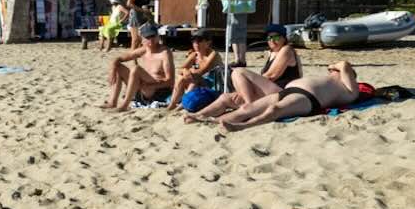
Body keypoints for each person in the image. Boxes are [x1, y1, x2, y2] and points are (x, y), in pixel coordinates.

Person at [211, 58, 363, 131]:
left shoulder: (348, 89)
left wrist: (333, 66)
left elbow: (344, 64)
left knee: (275, 110)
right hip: (288, 90)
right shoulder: (331, 79)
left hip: (308, 98)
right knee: (247, 108)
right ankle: (215, 121)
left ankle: (243, 126)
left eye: (335, 71)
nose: (331, 72)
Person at [100, 24, 174, 110]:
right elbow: (118, 58)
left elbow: (170, 81)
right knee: (118, 67)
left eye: (153, 36)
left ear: (158, 36)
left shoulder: (165, 53)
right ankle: (112, 102)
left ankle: (124, 105)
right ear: (142, 39)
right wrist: (112, 69)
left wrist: (153, 86)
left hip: (157, 90)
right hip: (142, 88)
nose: (151, 40)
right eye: (147, 37)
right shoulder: (144, 50)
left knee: (136, 69)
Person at [167, 32, 224, 114]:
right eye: (194, 41)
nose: (196, 44)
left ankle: (182, 104)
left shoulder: (213, 54)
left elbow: (201, 71)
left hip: (214, 86)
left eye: (199, 41)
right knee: (181, 78)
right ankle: (172, 104)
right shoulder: (194, 55)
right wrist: (186, 71)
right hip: (201, 83)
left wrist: (188, 71)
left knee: (193, 80)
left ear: (208, 42)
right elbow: (181, 69)